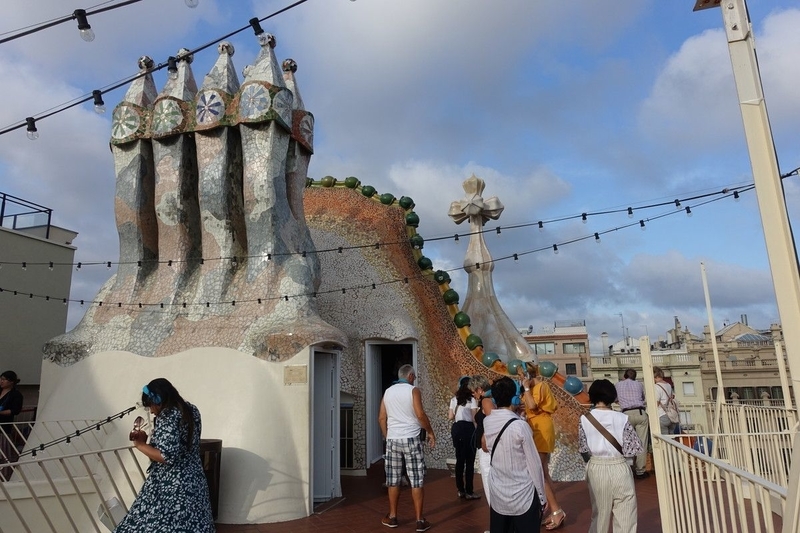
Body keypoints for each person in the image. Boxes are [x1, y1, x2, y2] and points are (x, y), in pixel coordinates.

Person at [114, 378, 214, 533]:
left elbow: (167, 457)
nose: (151, 411)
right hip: (193, 481)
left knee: (141, 525)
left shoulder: (167, 415)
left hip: (171, 488)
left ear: (158, 400)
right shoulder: (191, 410)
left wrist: (141, 445)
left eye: (150, 406)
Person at [579, 379, 644, 533]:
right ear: (613, 397)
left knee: (599, 515)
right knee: (626, 515)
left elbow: (583, 447)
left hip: (596, 467)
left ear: (592, 396)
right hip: (619, 466)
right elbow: (632, 449)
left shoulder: (584, 419)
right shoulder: (622, 418)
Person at [483, 376, 547, 533]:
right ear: (515, 398)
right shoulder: (520, 426)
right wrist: (542, 496)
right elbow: (534, 464)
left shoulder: (488, 421)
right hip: (523, 494)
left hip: (498, 493)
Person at [378, 364, 435, 532]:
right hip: (411, 438)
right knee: (416, 479)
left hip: (393, 439)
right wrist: (430, 431)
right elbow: (420, 414)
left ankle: (393, 517)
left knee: (393, 479)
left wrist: (387, 436)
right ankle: (419, 520)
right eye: (414, 376)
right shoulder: (413, 391)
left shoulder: (388, 391)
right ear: (410, 376)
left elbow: (381, 417)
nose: (415, 379)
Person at [518, 364, 565, 529]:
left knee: (539, 472)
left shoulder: (540, 386)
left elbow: (532, 406)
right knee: (543, 471)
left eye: (522, 376)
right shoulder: (531, 388)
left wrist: (525, 388)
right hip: (534, 428)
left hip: (542, 429)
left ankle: (556, 510)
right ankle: (553, 508)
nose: (520, 380)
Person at [448, 376, 480, 499]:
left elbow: (450, 416)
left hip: (457, 429)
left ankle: (460, 490)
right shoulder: (472, 400)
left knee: (460, 460)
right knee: (470, 461)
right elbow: (474, 419)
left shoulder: (453, 399)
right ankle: (469, 491)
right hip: (468, 430)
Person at [614, 368, 650, 479]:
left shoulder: (618, 385)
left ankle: (628, 469)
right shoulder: (639, 385)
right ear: (635, 377)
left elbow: (615, 399)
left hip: (625, 415)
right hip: (640, 413)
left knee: (627, 442)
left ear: (624, 376)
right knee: (641, 442)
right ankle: (640, 471)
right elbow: (643, 398)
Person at [0, 370, 24, 481]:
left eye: (4, 379)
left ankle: (5, 475)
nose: (1, 381)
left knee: (5, 451)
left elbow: (15, 410)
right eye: (1, 379)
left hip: (4, 426)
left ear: (11, 382)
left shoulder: (16, 395)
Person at [653, 367, 676, 435]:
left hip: (661, 414)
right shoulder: (668, 385)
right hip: (671, 415)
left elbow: (656, 403)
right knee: (671, 439)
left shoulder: (656, 387)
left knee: (664, 439)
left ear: (656, 376)